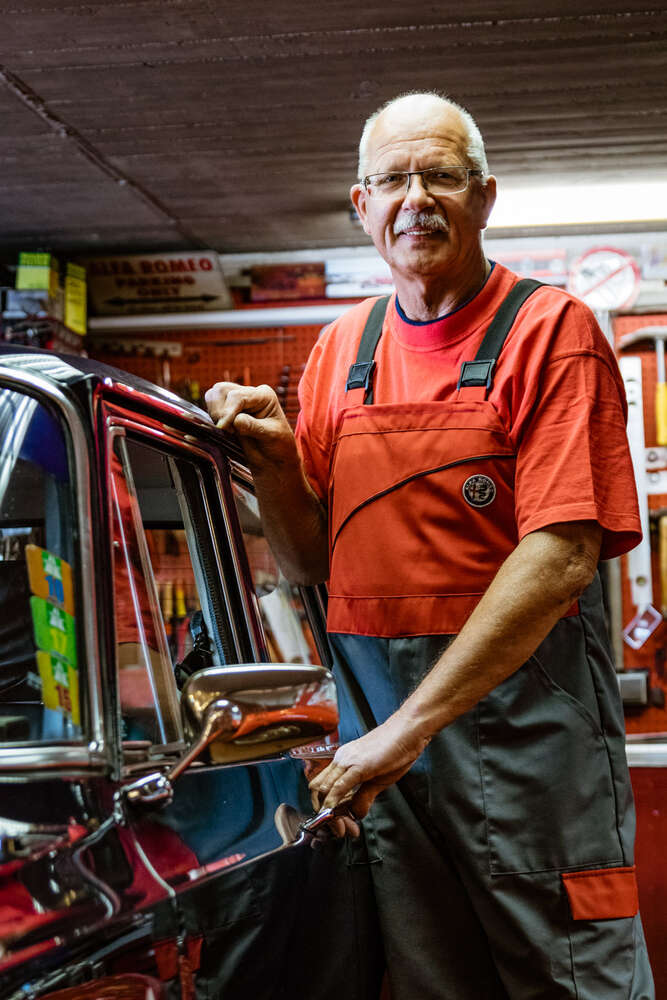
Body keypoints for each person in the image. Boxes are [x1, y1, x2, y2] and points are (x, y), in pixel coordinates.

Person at [205, 92, 654, 999]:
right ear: (360, 204)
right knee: (430, 983)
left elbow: (560, 554)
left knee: (574, 980)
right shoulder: (341, 350)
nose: (416, 199)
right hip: (389, 770)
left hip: (527, 753)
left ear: (483, 196)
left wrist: (402, 734)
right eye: (393, 180)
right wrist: (277, 463)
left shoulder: (550, 331)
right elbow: (314, 566)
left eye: (440, 176)